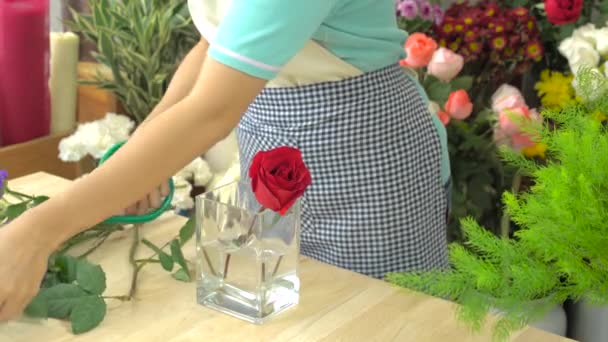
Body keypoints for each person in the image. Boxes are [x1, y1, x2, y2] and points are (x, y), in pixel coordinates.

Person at [0, 0, 451, 321]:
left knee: (378, 317)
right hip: (274, 146)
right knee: (286, 308)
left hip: (365, 156)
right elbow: (213, 43)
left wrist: (35, 235)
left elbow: (210, 112)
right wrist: (146, 144)